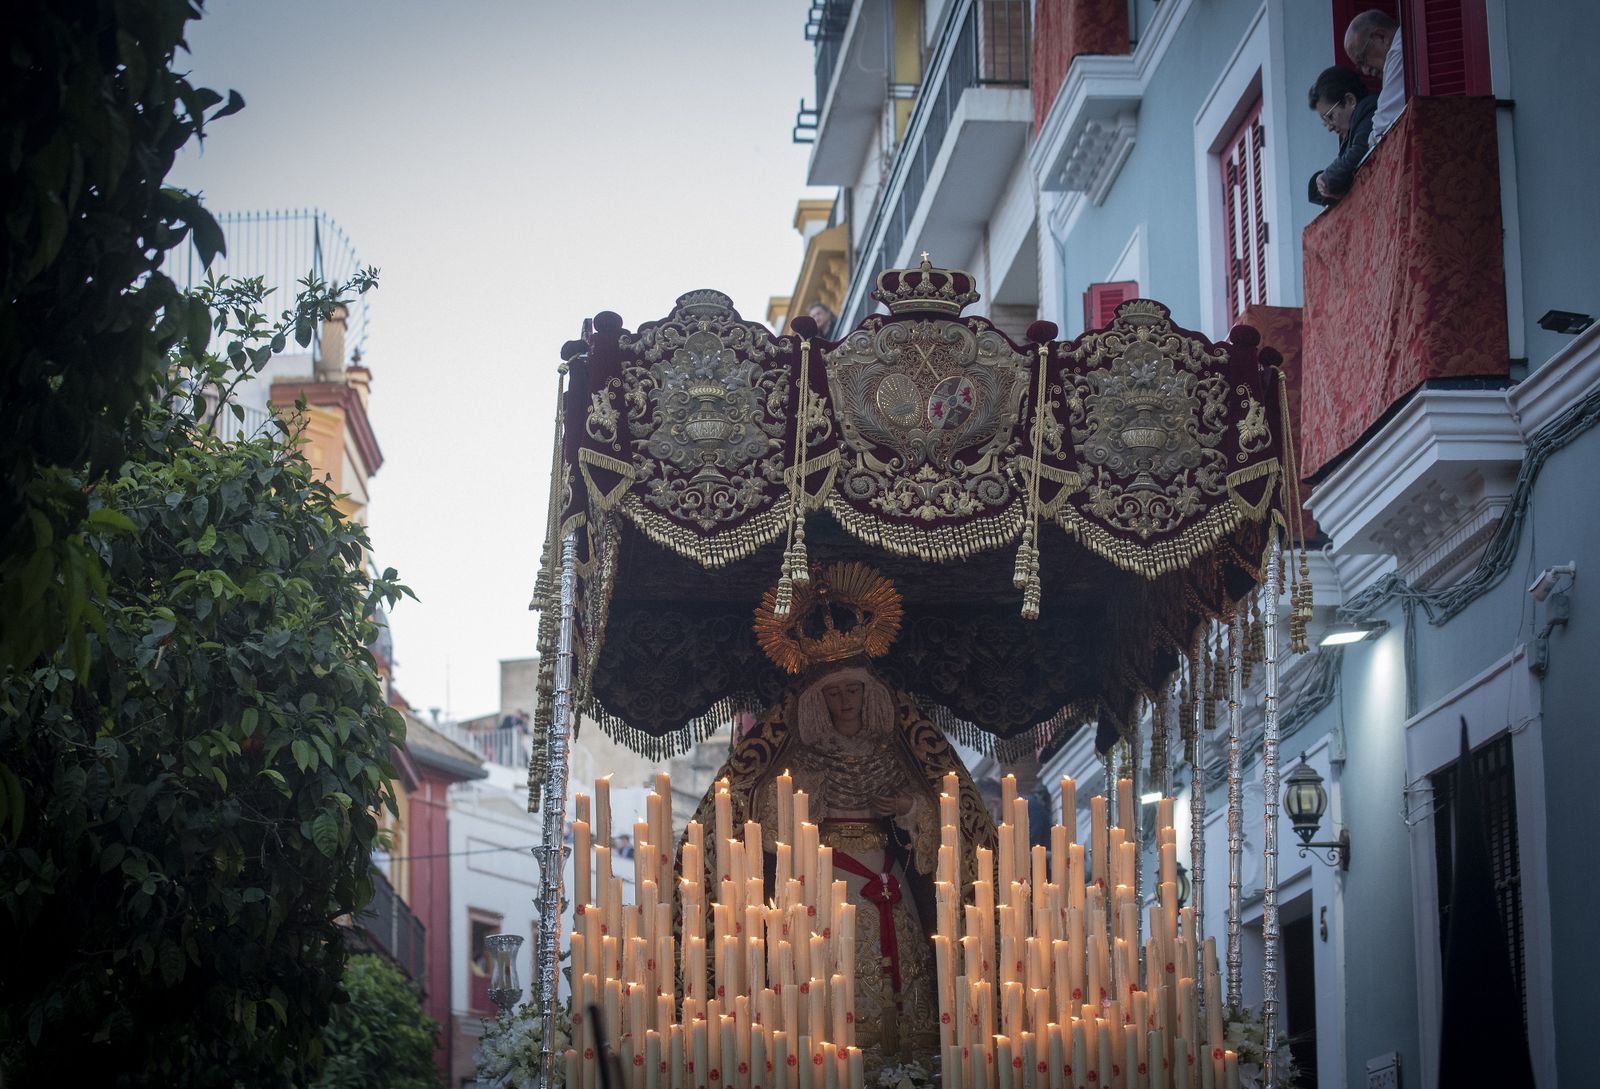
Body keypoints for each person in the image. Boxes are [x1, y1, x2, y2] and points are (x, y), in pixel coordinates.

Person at [1307, 65, 1378, 205]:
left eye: (1330, 117)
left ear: (1350, 100)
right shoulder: (1351, 135)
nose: (1329, 128)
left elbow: (1358, 153)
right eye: (1325, 122)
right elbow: (1317, 193)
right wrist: (1321, 181)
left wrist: (1326, 178)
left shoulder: (1369, 110)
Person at [1345, 10, 1404, 144]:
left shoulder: (1399, 53)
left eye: (1363, 60)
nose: (1366, 71)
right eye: (1360, 66)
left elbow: (1382, 130)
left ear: (1381, 37)